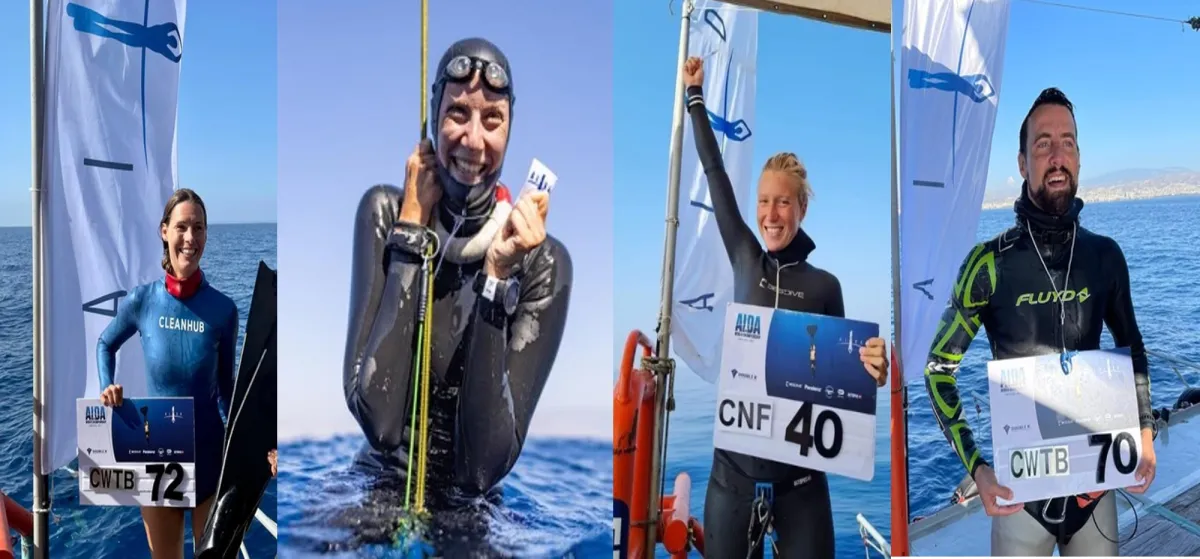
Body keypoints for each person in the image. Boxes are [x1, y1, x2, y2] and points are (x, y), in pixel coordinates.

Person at [922, 87, 1157, 556]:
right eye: (1043, 143)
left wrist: (1145, 437)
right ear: (1023, 163)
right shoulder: (988, 264)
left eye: (1067, 142)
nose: (1056, 155)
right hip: (1019, 501)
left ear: (1079, 157)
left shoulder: (1105, 256)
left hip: (1095, 492)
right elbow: (938, 369)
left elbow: (1132, 348)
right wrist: (978, 469)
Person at [342, 37, 572, 505]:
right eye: (457, 114)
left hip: (469, 511)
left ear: (510, 130)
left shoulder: (542, 262)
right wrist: (411, 228)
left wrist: (496, 277)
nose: (473, 140)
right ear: (433, 114)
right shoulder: (386, 214)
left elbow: (480, 469)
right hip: (376, 486)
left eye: (493, 120)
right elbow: (380, 423)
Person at [682, 56, 890, 558]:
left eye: (782, 203)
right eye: (763, 202)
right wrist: (694, 98)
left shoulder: (825, 286)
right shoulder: (744, 257)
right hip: (731, 478)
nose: (770, 214)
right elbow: (715, 177)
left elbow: (846, 385)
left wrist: (875, 371)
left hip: (801, 485)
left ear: (802, 208)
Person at [97, 188, 238, 559]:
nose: (190, 238)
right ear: (164, 231)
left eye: (199, 228)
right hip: (158, 454)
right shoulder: (142, 300)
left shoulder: (224, 310)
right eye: (182, 227)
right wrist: (106, 386)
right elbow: (105, 344)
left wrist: (259, 444)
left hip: (210, 458)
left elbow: (228, 390)